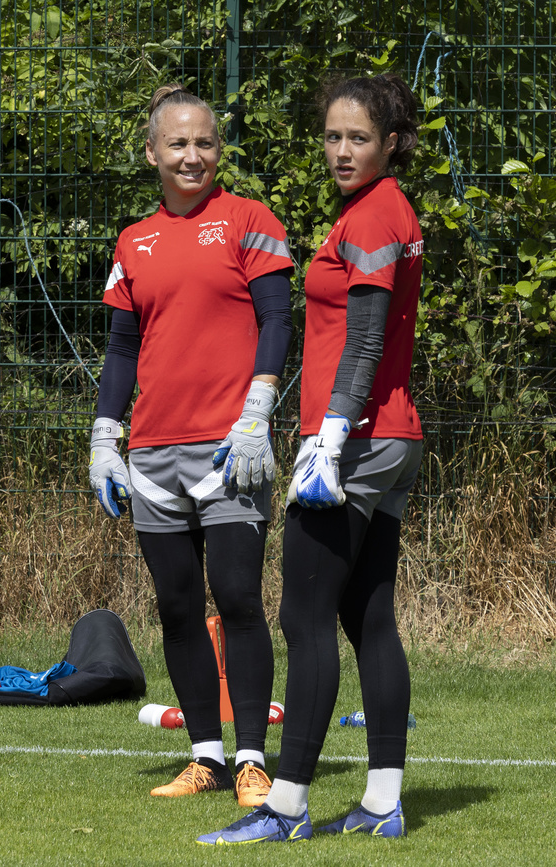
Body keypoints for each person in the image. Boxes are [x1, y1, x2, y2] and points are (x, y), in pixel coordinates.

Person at [198, 72, 424, 845]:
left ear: (391, 142)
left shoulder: (374, 213)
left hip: (356, 440)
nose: (342, 150)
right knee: (369, 616)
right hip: (391, 435)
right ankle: (383, 802)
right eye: (332, 136)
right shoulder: (382, 208)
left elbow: (365, 339)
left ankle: (286, 805)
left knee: (305, 615)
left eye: (359, 137)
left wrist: (327, 437)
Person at [88, 83, 293, 807]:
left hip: (230, 448)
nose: (192, 155)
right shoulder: (132, 241)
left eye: (204, 142)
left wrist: (258, 411)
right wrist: (105, 437)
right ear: (152, 153)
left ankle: (252, 760)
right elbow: (121, 350)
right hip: (152, 454)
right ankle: (205, 756)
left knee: (237, 598)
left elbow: (278, 321)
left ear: (219, 150)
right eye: (177, 143)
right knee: (176, 608)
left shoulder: (250, 220)